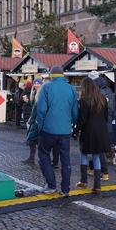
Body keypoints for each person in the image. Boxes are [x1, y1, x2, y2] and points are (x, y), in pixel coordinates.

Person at [35, 66, 78, 196]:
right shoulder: (71, 89)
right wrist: (72, 124)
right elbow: (75, 111)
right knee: (66, 159)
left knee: (43, 154)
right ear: (63, 75)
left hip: (48, 129)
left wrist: (40, 126)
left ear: (51, 75)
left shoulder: (46, 87)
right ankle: (65, 189)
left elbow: (41, 110)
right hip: (65, 130)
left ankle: (51, 185)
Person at [76, 77, 112, 193]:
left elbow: (82, 119)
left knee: (84, 154)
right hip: (101, 131)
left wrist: (76, 130)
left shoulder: (84, 100)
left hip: (88, 132)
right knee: (96, 156)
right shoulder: (102, 98)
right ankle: (97, 185)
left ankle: (84, 181)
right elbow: (106, 117)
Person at [89, 72, 116, 181]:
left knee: (98, 150)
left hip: (99, 125)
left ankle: (104, 172)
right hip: (107, 124)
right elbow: (112, 110)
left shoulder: (98, 94)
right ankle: (91, 168)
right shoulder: (109, 91)